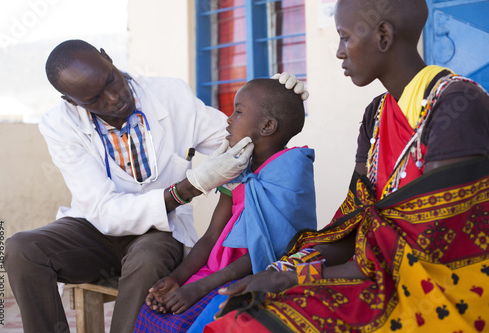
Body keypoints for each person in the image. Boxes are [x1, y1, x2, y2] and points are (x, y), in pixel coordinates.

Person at [205, 0, 489, 332]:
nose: (339, 52)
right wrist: (281, 271)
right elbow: (355, 223)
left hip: (440, 289)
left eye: (345, 37)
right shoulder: (377, 114)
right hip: (375, 272)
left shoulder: (458, 105)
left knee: (252, 326)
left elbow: (431, 247)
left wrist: (300, 277)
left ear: (383, 35)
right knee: (244, 307)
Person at [3, 40, 304, 333]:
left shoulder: (169, 94)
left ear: (108, 58)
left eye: (111, 81)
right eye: (95, 99)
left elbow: (238, 135)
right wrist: (189, 187)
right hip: (95, 231)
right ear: (72, 102)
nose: (114, 98)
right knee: (21, 249)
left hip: (158, 234)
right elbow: (104, 211)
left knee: (148, 256)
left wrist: (275, 101)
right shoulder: (59, 124)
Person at [134, 78, 317, 332]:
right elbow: (211, 236)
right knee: (153, 316)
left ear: (267, 126)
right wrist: (177, 279)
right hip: (215, 271)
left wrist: (199, 288)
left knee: (195, 323)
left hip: (256, 274)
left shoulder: (290, 172)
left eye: (238, 112)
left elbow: (266, 252)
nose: (228, 120)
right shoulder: (235, 167)